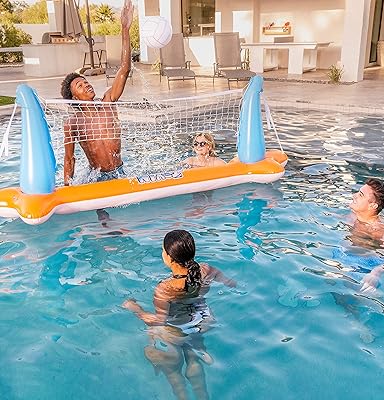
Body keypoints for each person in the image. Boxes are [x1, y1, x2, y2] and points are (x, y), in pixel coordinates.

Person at [123, 229, 236, 400]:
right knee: (193, 360)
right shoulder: (205, 270)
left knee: (171, 368)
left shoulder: (165, 288)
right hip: (202, 321)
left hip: (178, 329)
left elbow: (159, 320)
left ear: (169, 257)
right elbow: (229, 283)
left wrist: (135, 308)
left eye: (163, 250)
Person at [61, 0, 133, 186]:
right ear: (74, 98)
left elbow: (124, 69)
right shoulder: (73, 123)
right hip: (97, 177)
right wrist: (67, 189)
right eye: (80, 86)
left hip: (120, 171)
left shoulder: (108, 102)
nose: (86, 85)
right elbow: (69, 159)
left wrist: (125, 29)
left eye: (85, 82)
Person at [346, 178, 384, 292]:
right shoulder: (353, 215)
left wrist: (375, 273)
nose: (354, 195)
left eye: (361, 195)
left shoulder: (379, 230)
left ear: (373, 206)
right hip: (347, 256)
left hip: (365, 266)